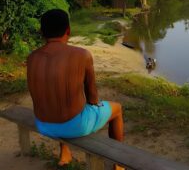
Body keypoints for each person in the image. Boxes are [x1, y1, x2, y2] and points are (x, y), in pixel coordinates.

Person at [27, 9, 124, 170]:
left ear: (42, 32)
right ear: (68, 31)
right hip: (75, 126)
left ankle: (65, 152)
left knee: (57, 99)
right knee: (117, 109)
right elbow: (93, 98)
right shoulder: (82, 55)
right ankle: (119, 164)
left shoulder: (32, 57)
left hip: (43, 125)